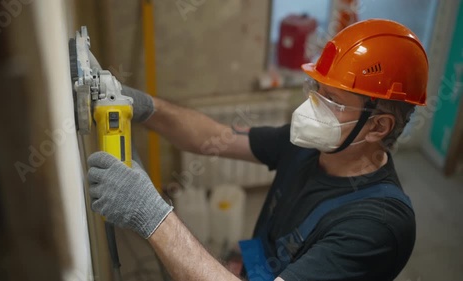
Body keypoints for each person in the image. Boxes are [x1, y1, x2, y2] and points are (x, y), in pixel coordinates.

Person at [87, 19, 428, 281]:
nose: (313, 108)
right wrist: (146, 107)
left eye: (332, 101)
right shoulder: (309, 145)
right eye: (316, 90)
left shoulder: (377, 226)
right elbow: (214, 136)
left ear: (377, 127)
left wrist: (150, 214)